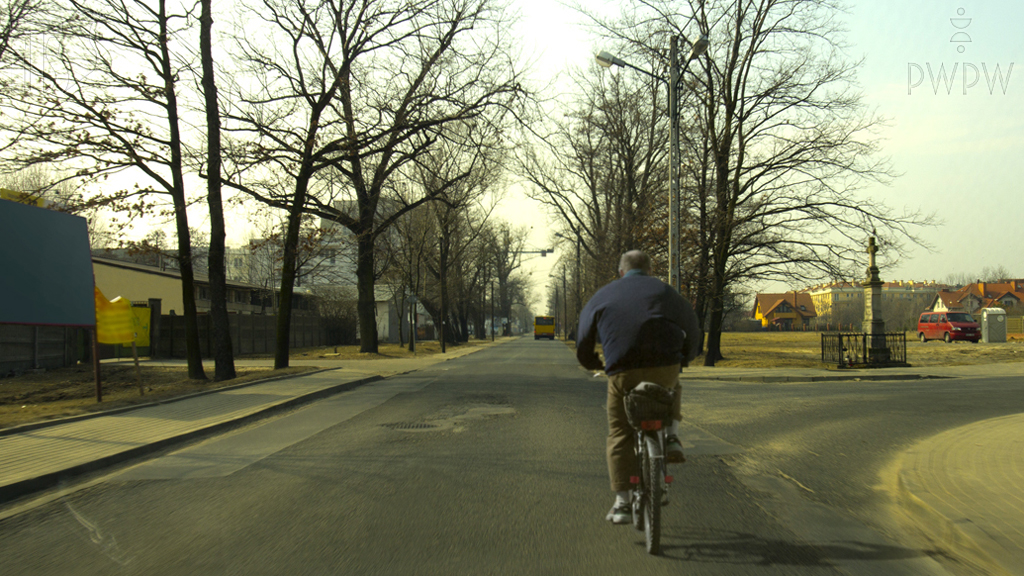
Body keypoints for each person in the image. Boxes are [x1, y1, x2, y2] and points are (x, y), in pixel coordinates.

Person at [575, 250, 702, 524]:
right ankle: (672, 436)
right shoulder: (665, 292)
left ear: (621, 272)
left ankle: (622, 503)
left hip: (623, 369)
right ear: (650, 270)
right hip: (664, 366)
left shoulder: (605, 294)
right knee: (673, 385)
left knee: (620, 432)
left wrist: (594, 363)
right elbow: (692, 326)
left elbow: (584, 334)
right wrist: (686, 357)